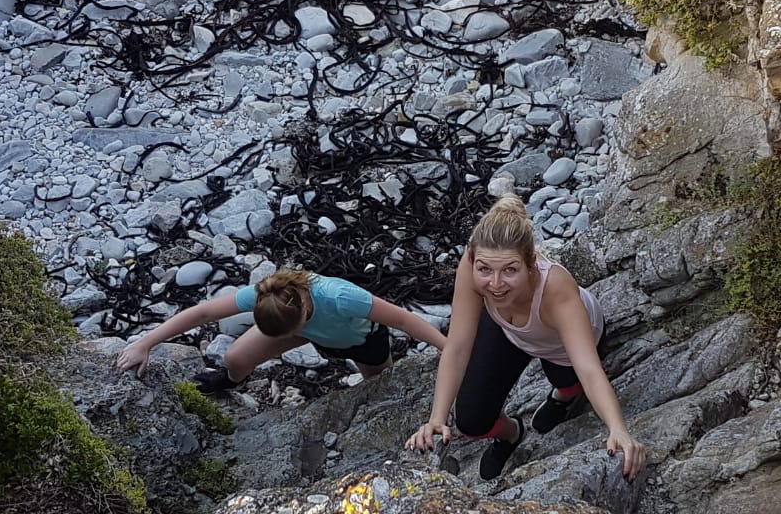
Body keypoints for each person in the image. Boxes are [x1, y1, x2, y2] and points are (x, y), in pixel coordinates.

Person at [405, 194, 647, 481]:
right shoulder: (474, 267)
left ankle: (564, 397)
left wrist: (618, 428)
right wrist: (436, 418)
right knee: (471, 420)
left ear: (531, 264)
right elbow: (457, 347)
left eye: (510, 270)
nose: (495, 284)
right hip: (509, 329)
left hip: (561, 341)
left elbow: (589, 368)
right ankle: (511, 433)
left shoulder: (556, 291)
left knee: (566, 379)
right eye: (485, 270)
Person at [116, 269, 447, 393]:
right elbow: (203, 312)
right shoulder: (268, 294)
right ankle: (230, 382)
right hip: (309, 331)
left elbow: (403, 320)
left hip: (360, 340)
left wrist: (448, 348)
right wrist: (146, 343)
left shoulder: (341, 297)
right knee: (235, 357)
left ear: (303, 310)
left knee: (379, 385)